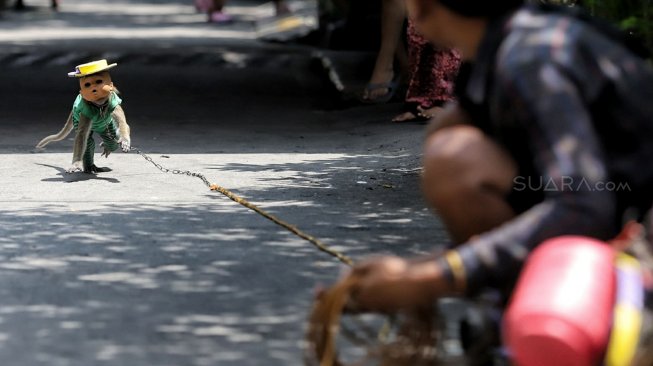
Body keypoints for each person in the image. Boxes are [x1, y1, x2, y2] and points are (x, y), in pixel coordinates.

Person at [343, 0, 653, 322]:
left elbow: (582, 205)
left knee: (454, 159)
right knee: (450, 131)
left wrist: (431, 279)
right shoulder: (505, 44)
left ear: (421, 8)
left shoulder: (530, 59)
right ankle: (514, 303)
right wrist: (416, 268)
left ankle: (555, 313)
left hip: (635, 232)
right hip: (611, 206)